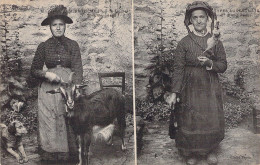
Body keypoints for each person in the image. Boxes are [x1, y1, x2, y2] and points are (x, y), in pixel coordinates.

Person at [166, 1, 227, 165]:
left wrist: (209, 63)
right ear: (190, 21)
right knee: (190, 119)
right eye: (195, 18)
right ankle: (191, 152)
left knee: (209, 117)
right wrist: (174, 92)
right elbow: (178, 69)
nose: (199, 21)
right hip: (190, 88)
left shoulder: (215, 41)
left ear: (207, 19)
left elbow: (223, 65)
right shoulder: (184, 43)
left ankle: (209, 150)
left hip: (209, 87)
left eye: (202, 17)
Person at [30, 5, 83, 162]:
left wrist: (77, 87)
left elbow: (78, 68)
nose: (58, 28)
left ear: (65, 26)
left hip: (68, 86)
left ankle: (71, 154)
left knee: (69, 114)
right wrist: (47, 74)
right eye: (55, 25)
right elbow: (34, 70)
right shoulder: (43, 47)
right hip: (49, 88)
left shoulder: (73, 45)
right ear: (50, 27)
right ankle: (51, 154)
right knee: (51, 118)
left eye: (61, 24)